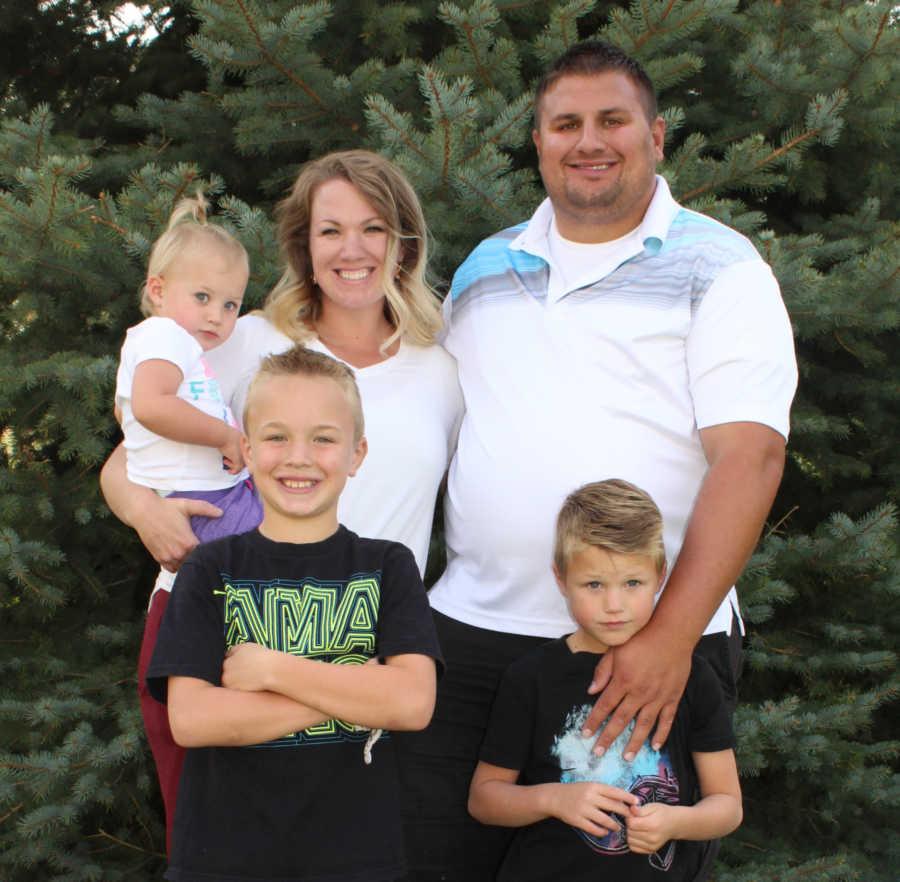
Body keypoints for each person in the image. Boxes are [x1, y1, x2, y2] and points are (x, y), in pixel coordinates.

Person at [401, 40, 796, 879]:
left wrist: (670, 639)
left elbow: (752, 459)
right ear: (538, 142)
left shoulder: (723, 268)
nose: (590, 140)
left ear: (655, 135)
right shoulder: (483, 271)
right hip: (472, 638)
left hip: (642, 646)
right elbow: (408, 413)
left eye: (612, 120)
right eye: (565, 123)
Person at [100, 150, 462, 850]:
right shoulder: (249, 341)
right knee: (216, 844)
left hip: (367, 639)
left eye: (374, 228)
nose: (351, 250)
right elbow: (128, 459)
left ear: (404, 243)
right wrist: (145, 512)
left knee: (347, 852)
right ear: (303, 245)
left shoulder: (442, 367)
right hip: (223, 621)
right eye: (330, 231)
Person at [146, 344, 442, 881]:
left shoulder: (388, 565)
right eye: (277, 436)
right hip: (224, 858)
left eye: (324, 438)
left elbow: (413, 702)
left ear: (357, 454)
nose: (298, 456)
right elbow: (193, 720)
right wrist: (360, 690)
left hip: (359, 858)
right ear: (247, 450)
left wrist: (275, 672)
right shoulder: (210, 568)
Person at [468, 480, 742, 881]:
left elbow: (727, 804)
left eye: (632, 583)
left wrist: (674, 823)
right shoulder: (530, 678)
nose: (614, 605)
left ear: (660, 576)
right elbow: (485, 799)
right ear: (561, 579)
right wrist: (552, 798)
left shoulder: (691, 676)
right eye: (594, 584)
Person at [114, 192, 263, 849]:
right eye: (203, 297)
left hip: (213, 500)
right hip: (207, 507)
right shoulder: (159, 337)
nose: (219, 316)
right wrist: (228, 438)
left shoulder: (181, 343)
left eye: (229, 304)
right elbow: (148, 406)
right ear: (158, 290)